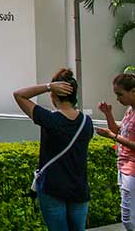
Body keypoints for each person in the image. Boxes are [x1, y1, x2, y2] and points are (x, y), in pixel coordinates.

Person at [13, 69, 93, 231]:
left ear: (53, 95)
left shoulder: (49, 120)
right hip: (79, 189)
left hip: (52, 189)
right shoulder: (87, 123)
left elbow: (19, 95)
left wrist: (49, 86)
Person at [96, 73, 135, 231]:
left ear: (133, 91)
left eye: (120, 94)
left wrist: (112, 136)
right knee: (129, 214)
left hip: (132, 170)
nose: (118, 99)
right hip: (123, 167)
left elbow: (117, 135)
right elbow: (120, 131)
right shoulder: (130, 110)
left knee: (128, 217)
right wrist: (108, 114)